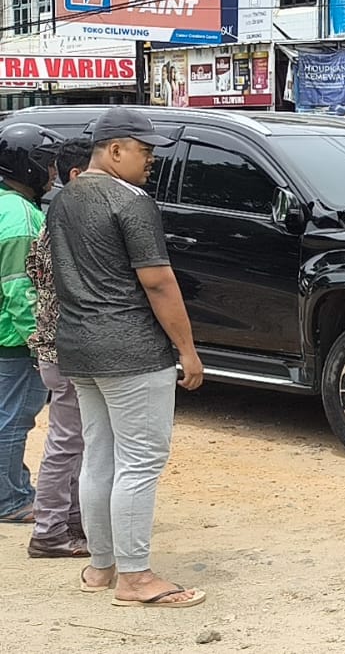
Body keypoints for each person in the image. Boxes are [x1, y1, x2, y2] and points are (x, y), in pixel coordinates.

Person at [51, 108, 206, 608]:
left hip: (78, 345)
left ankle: (102, 568)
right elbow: (158, 281)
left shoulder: (61, 199)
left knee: (100, 457)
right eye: (145, 151)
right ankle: (135, 579)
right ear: (115, 150)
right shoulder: (131, 201)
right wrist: (187, 349)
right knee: (140, 461)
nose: (151, 161)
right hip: (132, 348)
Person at [27, 139, 94, 558]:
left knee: (75, 441)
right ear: (77, 176)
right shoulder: (73, 222)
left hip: (53, 344)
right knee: (68, 441)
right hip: (64, 346)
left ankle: (69, 520)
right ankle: (50, 530)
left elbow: (33, 270)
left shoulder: (53, 220)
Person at [0, 123, 60, 526]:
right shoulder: (22, 218)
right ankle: (11, 499)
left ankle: (14, 486)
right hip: (15, 338)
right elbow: (21, 292)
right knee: (14, 418)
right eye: (49, 165)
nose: (54, 174)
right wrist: (41, 345)